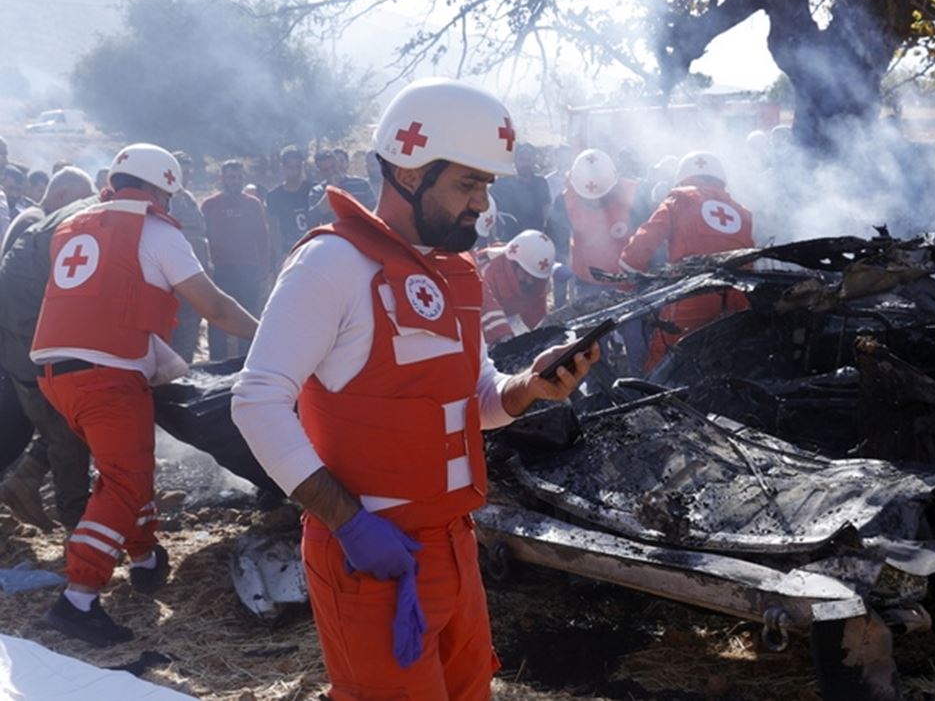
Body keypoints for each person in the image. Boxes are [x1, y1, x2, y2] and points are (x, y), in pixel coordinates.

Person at [232, 78, 598, 700]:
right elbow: (257, 400)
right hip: (368, 558)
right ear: (407, 171)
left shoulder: (459, 273)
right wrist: (348, 523)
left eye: (486, 186)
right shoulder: (331, 263)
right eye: (465, 184)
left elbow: (477, 399)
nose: (482, 205)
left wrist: (530, 388)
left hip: (454, 547)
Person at [32, 145, 259, 645]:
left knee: (124, 475)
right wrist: (270, 339)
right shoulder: (155, 231)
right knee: (126, 479)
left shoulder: (75, 225)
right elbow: (215, 307)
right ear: (160, 189)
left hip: (56, 374)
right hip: (106, 376)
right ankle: (79, 598)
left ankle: (144, 556)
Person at [0, 168, 96, 529]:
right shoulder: (37, 224)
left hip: (27, 344)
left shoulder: (35, 220)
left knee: (62, 424)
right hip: (27, 347)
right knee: (65, 432)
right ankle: (76, 524)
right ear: (61, 195)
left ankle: (24, 481)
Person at [619, 151, 755, 369]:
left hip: (690, 297)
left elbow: (640, 247)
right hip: (734, 299)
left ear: (683, 177)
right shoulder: (743, 212)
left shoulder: (677, 200)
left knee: (664, 359)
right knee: (729, 361)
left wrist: (625, 284)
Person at [547, 148, 651, 302]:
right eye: (589, 199)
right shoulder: (564, 201)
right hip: (586, 280)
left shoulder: (634, 195)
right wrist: (558, 269)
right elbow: (556, 241)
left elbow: (649, 237)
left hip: (628, 278)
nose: (596, 203)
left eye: (602, 198)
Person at [202, 160, 270, 361]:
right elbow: (204, 239)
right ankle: (217, 364)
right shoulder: (209, 205)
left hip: (249, 270)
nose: (236, 181)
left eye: (240, 177)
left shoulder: (253, 204)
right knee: (217, 319)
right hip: (221, 271)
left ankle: (247, 364)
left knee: (248, 318)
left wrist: (265, 269)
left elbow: (263, 238)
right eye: (232, 177)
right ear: (222, 179)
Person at [168, 152, 210, 364]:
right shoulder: (167, 200)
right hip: (177, 283)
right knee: (174, 341)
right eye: (180, 171)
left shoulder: (188, 198)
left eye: (188, 171)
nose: (185, 175)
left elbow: (200, 236)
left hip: (196, 277)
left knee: (190, 335)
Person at [480, 230, 554, 346]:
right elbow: (488, 312)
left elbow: (536, 316)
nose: (529, 281)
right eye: (525, 274)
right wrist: (506, 341)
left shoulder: (533, 284)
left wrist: (548, 336)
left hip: (503, 316)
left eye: (534, 277)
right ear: (513, 264)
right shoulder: (486, 272)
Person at [489, 142, 552, 242]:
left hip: (534, 237)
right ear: (515, 161)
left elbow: (547, 207)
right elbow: (490, 208)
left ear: (533, 161)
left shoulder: (540, 183)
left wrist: (546, 231)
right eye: (521, 159)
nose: (525, 164)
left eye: (528, 160)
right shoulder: (501, 184)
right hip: (507, 239)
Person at [265, 146, 317, 266]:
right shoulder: (274, 196)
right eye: (291, 168)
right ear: (282, 167)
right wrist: (279, 255)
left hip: (313, 246)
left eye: (298, 167)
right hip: (289, 250)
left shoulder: (313, 189)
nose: (295, 172)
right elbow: (273, 228)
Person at [307, 148, 378, 226]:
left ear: (337, 163)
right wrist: (333, 188)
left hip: (360, 232)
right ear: (320, 172)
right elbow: (313, 219)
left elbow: (374, 211)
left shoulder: (361, 184)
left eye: (332, 166)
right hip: (335, 235)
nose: (331, 171)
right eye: (325, 170)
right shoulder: (317, 191)